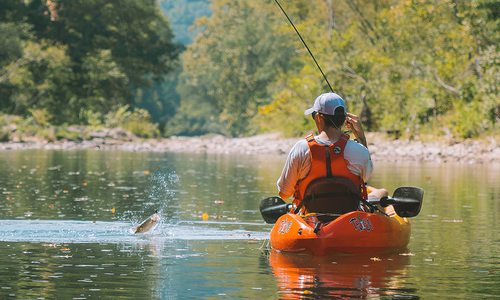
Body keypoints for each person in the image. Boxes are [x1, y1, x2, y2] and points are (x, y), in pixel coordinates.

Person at [277, 92, 387, 213]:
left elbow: (284, 193)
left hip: (311, 218)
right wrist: (361, 137)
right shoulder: (359, 150)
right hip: (349, 217)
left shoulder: (300, 148)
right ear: (344, 119)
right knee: (382, 192)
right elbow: (365, 179)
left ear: (318, 117)